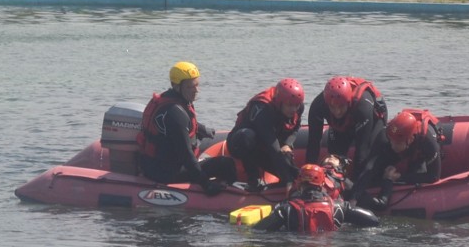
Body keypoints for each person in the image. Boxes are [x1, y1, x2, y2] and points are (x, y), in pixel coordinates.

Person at [137, 61, 233, 195]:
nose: (196, 91)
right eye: (190, 87)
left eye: (196, 85)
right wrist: (206, 184)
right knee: (226, 164)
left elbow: (179, 127)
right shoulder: (176, 114)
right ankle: (228, 195)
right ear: (176, 86)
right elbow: (186, 156)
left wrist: (201, 129)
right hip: (166, 173)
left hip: (151, 166)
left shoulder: (167, 101)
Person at [354, 108, 443, 210]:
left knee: (415, 172)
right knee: (376, 173)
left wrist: (398, 177)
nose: (392, 145)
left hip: (418, 154)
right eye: (391, 141)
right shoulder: (388, 136)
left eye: (397, 143)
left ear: (410, 140)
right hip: (404, 147)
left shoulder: (427, 142)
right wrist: (354, 197)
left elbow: (433, 176)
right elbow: (370, 167)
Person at [227, 78, 305, 191]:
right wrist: (287, 178)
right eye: (289, 105)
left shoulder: (298, 107)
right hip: (244, 142)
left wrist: (288, 144)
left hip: (269, 142)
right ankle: (253, 180)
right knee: (247, 137)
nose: (293, 109)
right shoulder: (262, 108)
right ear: (280, 102)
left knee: (289, 165)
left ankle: (289, 183)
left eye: (296, 105)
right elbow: (272, 145)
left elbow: (295, 127)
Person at [305, 76, 387, 181]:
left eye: (340, 106)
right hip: (343, 122)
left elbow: (362, 151)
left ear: (348, 102)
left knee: (369, 158)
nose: (337, 111)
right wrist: (308, 176)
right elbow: (313, 143)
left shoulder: (363, 108)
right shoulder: (318, 105)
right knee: (335, 157)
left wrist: (355, 190)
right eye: (333, 107)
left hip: (373, 118)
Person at [254, 164, 380, 232]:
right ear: (322, 184)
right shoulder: (340, 208)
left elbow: (258, 230)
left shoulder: (286, 210)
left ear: (299, 184)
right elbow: (374, 221)